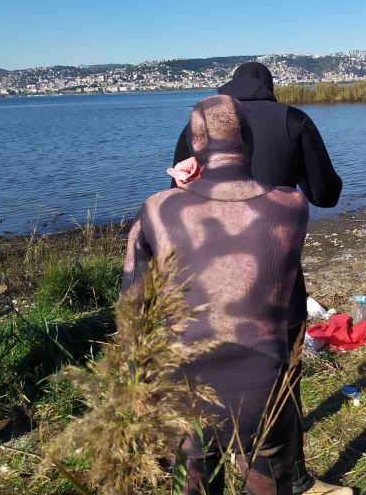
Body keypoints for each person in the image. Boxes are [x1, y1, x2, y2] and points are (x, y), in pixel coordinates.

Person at [172, 63, 348, 495]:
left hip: (202, 275)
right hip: (273, 274)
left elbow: (179, 187)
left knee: (205, 381)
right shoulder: (293, 120)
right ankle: (294, 477)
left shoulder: (198, 124)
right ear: (269, 89)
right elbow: (326, 194)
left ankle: (224, 456)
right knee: (281, 377)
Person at [123, 95, 309, 494]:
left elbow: (133, 312)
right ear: (248, 141)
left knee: (194, 469)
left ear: (192, 145)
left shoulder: (156, 209)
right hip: (264, 380)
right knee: (268, 469)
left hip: (188, 380)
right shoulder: (293, 204)